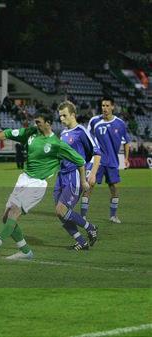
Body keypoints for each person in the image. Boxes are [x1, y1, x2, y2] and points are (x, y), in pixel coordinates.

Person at [0, 110, 89, 261]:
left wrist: (83, 181)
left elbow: (80, 161)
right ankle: (25, 251)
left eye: (38, 122)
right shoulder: (30, 133)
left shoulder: (57, 144)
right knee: (6, 218)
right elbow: (8, 133)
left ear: (48, 123)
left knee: (14, 212)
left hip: (37, 184)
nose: (35, 125)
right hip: (23, 179)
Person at [56, 101, 101, 250]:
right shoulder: (63, 133)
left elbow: (96, 152)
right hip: (61, 176)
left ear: (73, 115)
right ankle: (81, 242)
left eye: (64, 115)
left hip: (74, 175)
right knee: (60, 213)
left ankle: (90, 227)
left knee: (61, 209)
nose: (61, 119)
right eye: (60, 116)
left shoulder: (81, 131)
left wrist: (92, 173)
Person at [81, 97, 131, 223]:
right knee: (89, 186)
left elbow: (127, 142)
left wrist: (126, 159)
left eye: (107, 106)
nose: (105, 108)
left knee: (114, 188)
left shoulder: (120, 124)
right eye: (103, 106)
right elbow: (88, 140)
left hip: (112, 161)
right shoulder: (94, 121)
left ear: (113, 107)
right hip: (97, 160)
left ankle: (113, 216)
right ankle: (82, 217)